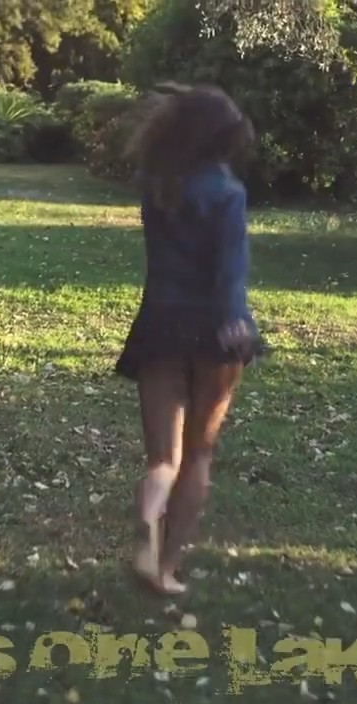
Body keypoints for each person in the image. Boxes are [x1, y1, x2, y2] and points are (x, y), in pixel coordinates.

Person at [114, 83, 265, 594]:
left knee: (163, 459)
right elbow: (229, 270)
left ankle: (148, 519)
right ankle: (166, 569)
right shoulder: (228, 194)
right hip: (215, 329)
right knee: (199, 453)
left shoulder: (158, 187)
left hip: (160, 321)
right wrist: (235, 321)